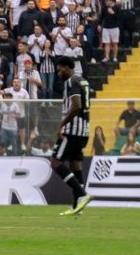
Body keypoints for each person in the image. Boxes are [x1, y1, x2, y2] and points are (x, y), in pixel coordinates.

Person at [50, 56, 92, 216]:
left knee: (55, 162)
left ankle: (82, 194)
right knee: (75, 165)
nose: (58, 72)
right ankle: (77, 208)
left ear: (67, 67)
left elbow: (76, 106)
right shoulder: (83, 81)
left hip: (72, 130)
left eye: (60, 69)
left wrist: (61, 124)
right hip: (84, 130)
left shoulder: (71, 82)